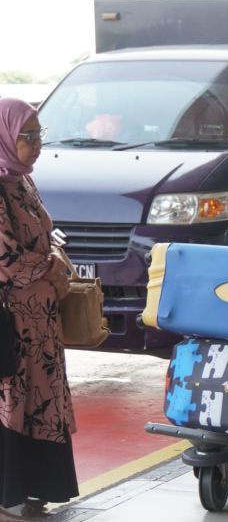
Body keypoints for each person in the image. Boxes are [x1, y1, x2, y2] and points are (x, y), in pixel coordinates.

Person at [0, 98, 77, 519]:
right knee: (14, 403)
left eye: (38, 134)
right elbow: (7, 262)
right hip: (13, 324)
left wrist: (55, 256)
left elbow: (44, 235)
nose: (36, 144)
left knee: (41, 403)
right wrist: (51, 265)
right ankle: (11, 493)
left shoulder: (22, 182)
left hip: (41, 327)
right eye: (25, 136)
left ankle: (37, 489)